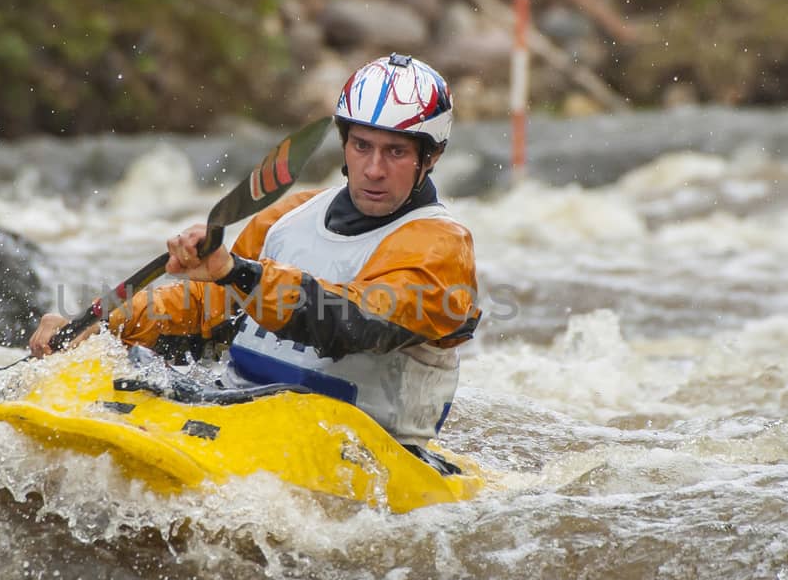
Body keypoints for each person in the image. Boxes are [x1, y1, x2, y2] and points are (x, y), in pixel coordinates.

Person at [29, 53, 480, 447]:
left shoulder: (440, 246)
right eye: (362, 146)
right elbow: (206, 308)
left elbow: (353, 324)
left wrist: (238, 274)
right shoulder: (290, 216)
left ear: (431, 157)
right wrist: (105, 323)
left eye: (395, 152)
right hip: (241, 411)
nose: (374, 169)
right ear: (344, 142)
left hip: (363, 447)